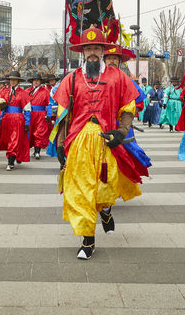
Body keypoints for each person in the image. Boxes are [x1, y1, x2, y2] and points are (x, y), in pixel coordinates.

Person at [52, 27, 149, 260]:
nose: (92, 52)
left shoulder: (118, 77)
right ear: (83, 51)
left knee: (106, 187)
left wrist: (122, 131)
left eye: (96, 48)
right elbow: (63, 114)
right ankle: (88, 240)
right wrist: (60, 143)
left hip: (106, 140)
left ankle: (106, 209)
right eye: (88, 48)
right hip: (78, 140)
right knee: (80, 191)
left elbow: (129, 106)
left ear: (103, 50)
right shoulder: (72, 78)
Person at [0, 70, 31, 170]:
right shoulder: (4, 92)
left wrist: (27, 122)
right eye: (11, 80)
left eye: (15, 80)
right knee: (8, 140)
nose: (13, 82)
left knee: (14, 139)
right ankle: (13, 156)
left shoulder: (23, 93)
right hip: (6, 118)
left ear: (18, 81)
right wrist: (0, 115)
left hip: (18, 119)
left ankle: (10, 161)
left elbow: (27, 109)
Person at [28, 71, 50, 160]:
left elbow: (49, 104)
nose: (36, 82)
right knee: (30, 132)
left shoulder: (45, 91)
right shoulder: (27, 91)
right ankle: (29, 149)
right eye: (34, 80)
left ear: (40, 82)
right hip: (30, 114)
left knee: (39, 132)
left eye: (38, 80)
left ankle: (37, 151)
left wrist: (48, 114)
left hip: (40, 114)